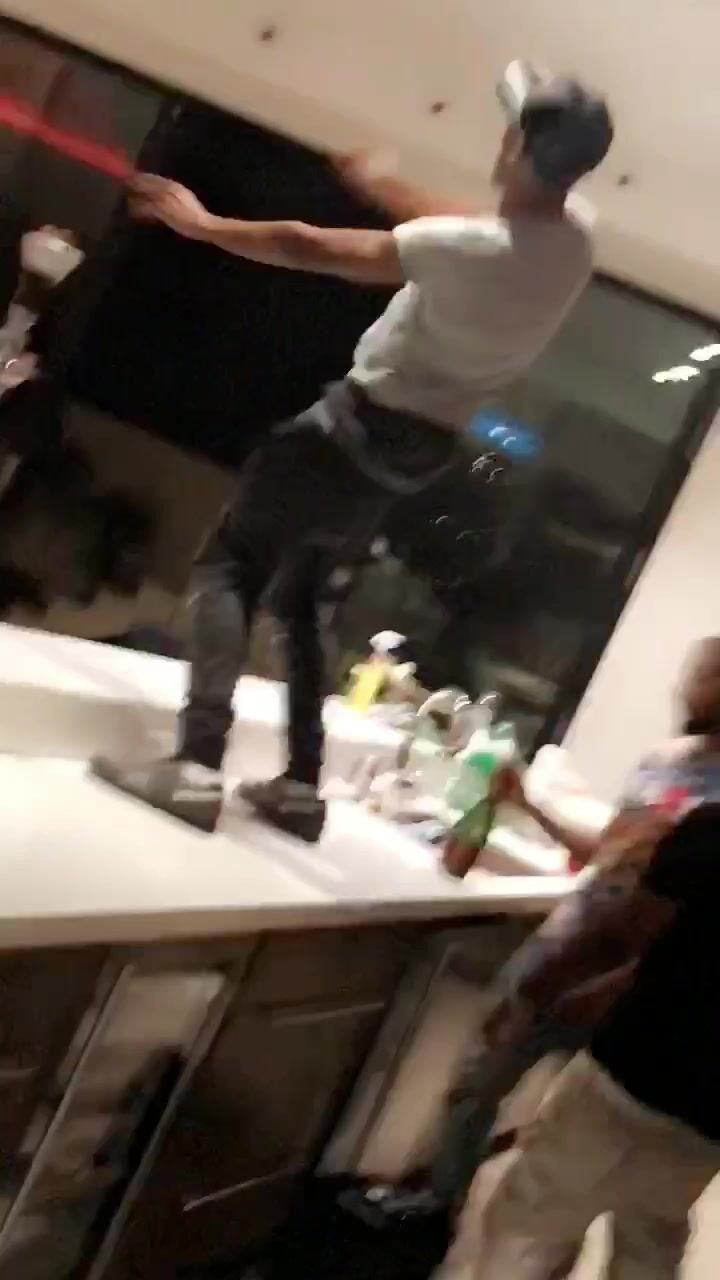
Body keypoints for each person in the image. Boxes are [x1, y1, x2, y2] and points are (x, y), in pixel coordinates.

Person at [91, 74, 613, 838]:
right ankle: (301, 787)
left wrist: (201, 225)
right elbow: (458, 226)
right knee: (301, 596)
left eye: (512, 129)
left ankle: (196, 765)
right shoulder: (574, 240)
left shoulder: (468, 248)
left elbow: (310, 246)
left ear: (520, 147)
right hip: (418, 452)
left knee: (229, 566)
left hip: (355, 428)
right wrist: (377, 187)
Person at [351, 636, 720, 1227]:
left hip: (631, 987)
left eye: (713, 677)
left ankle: (529, 1240)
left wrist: (613, 978)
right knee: (479, 1080)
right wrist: (527, 803)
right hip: (570, 938)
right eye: (698, 673)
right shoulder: (666, 761)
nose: (696, 686)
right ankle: (437, 1204)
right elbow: (605, 855)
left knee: (578, 1138)